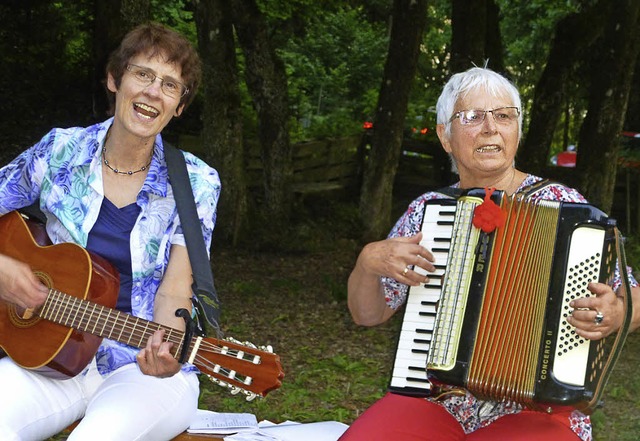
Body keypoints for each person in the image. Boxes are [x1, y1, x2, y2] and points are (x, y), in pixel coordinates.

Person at [340, 67, 640, 441]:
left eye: (503, 116)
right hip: (437, 399)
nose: (489, 128)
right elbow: (367, 314)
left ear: (516, 130)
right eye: (472, 117)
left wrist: (616, 312)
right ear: (445, 136)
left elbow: (631, 295)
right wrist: (367, 262)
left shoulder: (566, 207)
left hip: (542, 407)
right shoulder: (427, 212)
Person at [0, 22, 220, 440]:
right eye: (143, 74)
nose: (154, 91)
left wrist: (168, 347)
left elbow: (175, 290)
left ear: (178, 106)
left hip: (140, 370)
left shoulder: (197, 183)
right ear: (114, 79)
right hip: (51, 355)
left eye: (170, 85)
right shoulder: (59, 151)